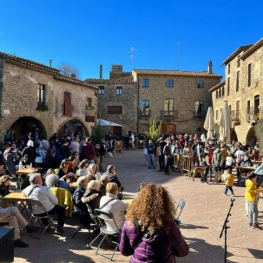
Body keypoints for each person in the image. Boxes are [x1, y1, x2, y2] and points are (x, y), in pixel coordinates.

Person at [119, 183, 189, 262]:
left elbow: (124, 251)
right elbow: (183, 252)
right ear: (165, 203)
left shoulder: (129, 223)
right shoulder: (169, 225)